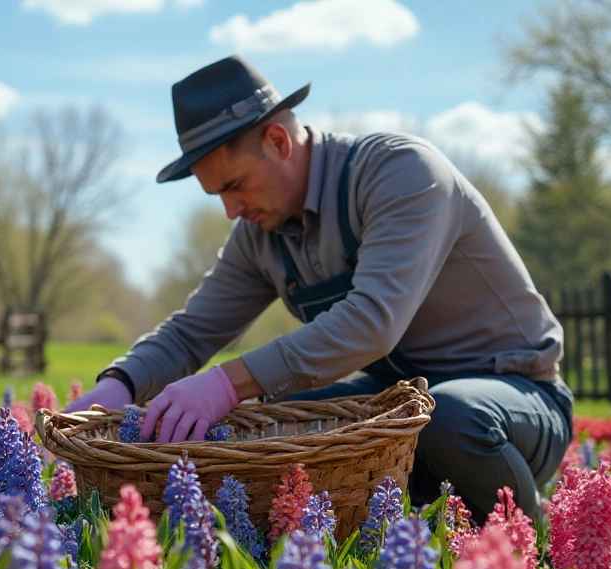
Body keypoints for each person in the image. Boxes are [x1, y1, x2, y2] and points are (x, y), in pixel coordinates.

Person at [65, 55, 573, 522]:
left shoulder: (401, 173)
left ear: (278, 142)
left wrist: (224, 383)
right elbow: (192, 331)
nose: (230, 211)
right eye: (217, 195)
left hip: (513, 396)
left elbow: (373, 324)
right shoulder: (260, 235)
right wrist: (120, 386)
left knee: (451, 417)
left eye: (234, 185)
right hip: (403, 398)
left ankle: (528, 537)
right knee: (276, 424)